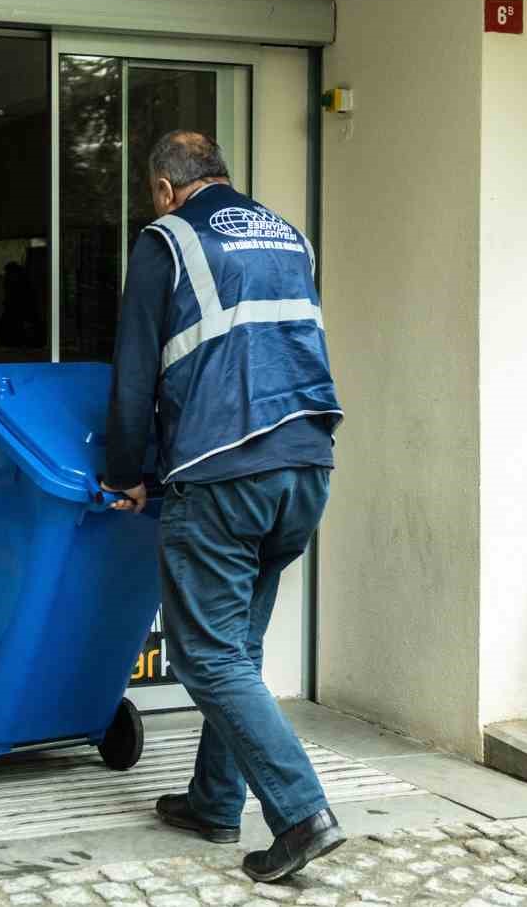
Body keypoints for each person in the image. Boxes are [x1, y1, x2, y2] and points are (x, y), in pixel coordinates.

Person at [100, 131, 345, 883]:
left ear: (165, 189)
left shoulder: (167, 240)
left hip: (222, 470)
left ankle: (300, 814)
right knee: (237, 645)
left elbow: (135, 370)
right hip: (305, 464)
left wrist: (128, 470)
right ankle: (214, 800)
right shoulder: (289, 235)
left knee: (206, 655)